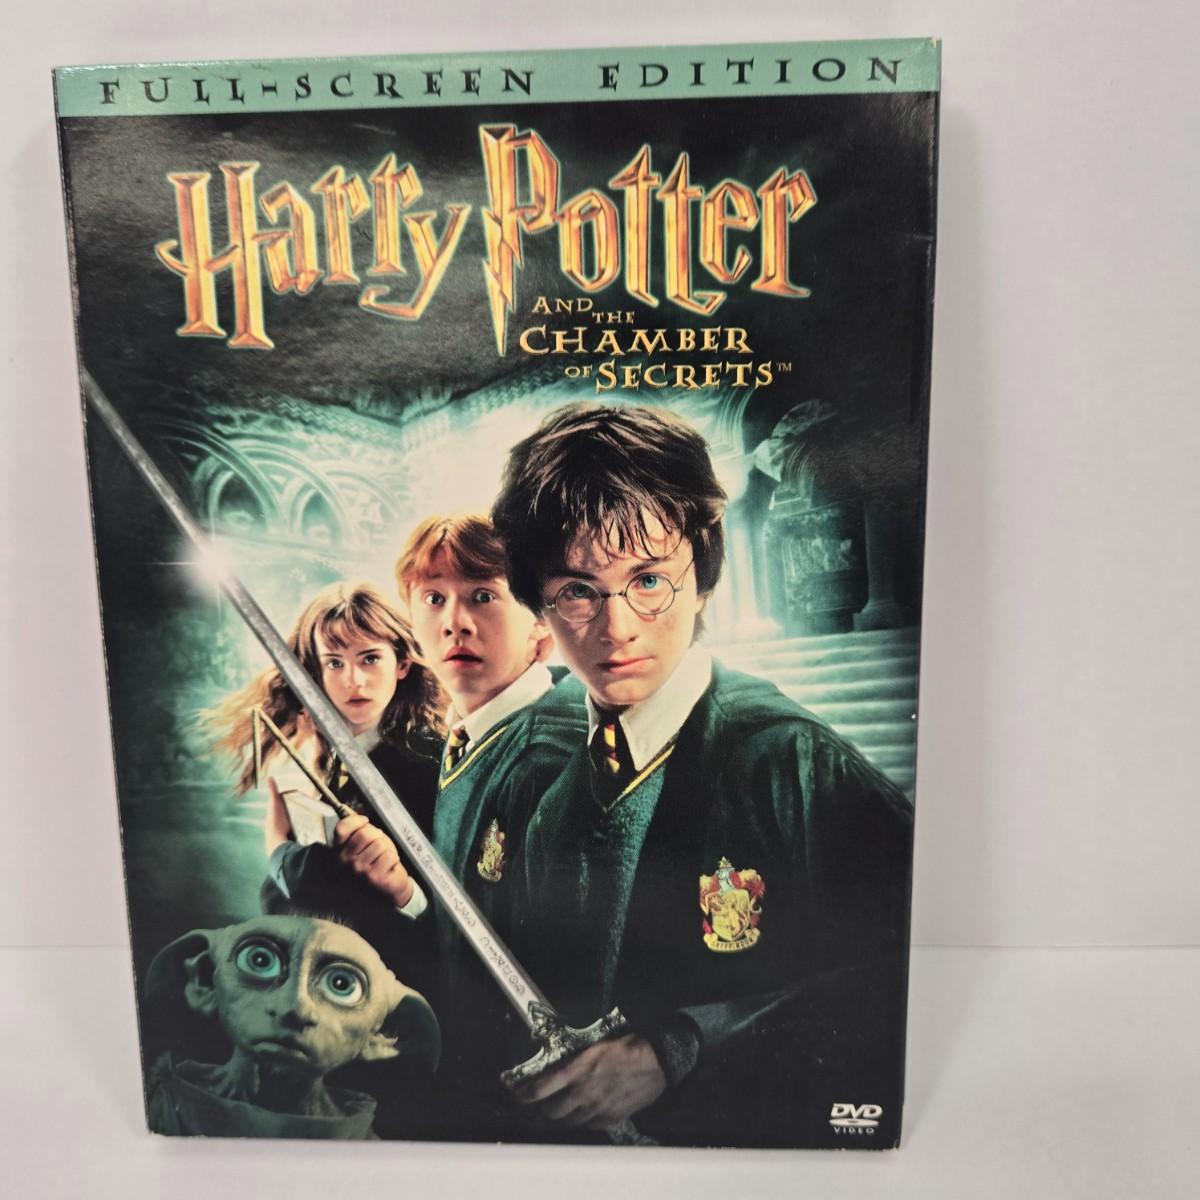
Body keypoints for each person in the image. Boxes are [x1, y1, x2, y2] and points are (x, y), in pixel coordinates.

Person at [490, 403, 914, 1148]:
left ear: (703, 580)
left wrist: (681, 1047)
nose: (617, 628)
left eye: (649, 579)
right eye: (578, 590)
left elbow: (903, 969)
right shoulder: (547, 793)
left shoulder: (792, 761)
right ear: (540, 606)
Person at [393, 513, 586, 1138]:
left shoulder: (552, 757)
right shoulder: (470, 735)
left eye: (483, 596)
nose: (455, 621)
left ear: (541, 626)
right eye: (434, 599)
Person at [207, 581, 443, 961]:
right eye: (334, 663)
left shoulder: (427, 759)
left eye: (370, 659)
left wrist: (279, 849)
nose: (354, 680)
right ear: (315, 672)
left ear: (401, 664)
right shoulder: (338, 754)